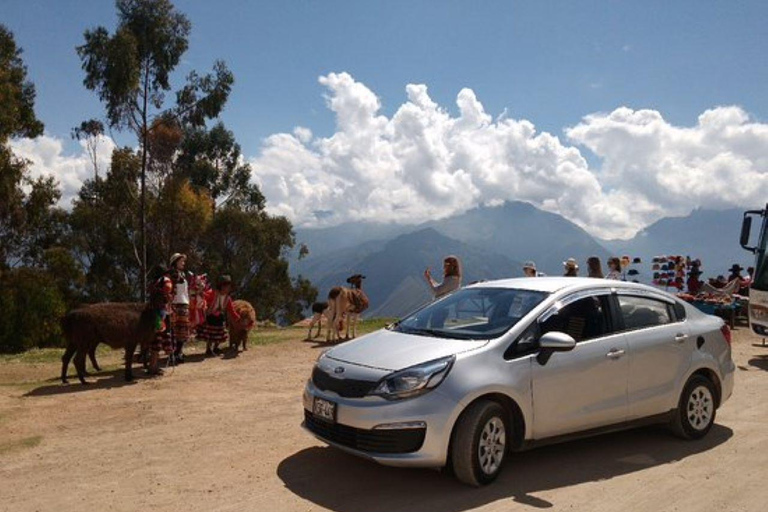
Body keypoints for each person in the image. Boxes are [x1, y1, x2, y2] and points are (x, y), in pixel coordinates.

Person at [197, 275, 241, 356]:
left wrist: (237, 317)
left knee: (219, 333)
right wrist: (200, 293)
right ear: (221, 286)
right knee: (210, 334)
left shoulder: (228, 298)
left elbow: (231, 310)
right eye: (227, 287)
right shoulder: (213, 293)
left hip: (220, 316)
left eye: (229, 287)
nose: (228, 289)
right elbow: (205, 296)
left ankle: (216, 347)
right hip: (211, 316)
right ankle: (208, 349)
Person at [148, 265, 174, 376]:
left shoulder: (154, 283)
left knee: (155, 340)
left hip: (153, 312)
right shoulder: (165, 281)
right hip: (160, 314)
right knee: (157, 341)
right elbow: (168, 292)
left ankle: (153, 366)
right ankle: (153, 367)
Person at [169, 253, 192, 364]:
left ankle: (179, 352)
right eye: (181, 261)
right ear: (175, 262)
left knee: (182, 330)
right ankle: (173, 353)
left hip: (184, 303)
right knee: (174, 329)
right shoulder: (173, 275)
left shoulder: (183, 274)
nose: (183, 263)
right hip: (175, 304)